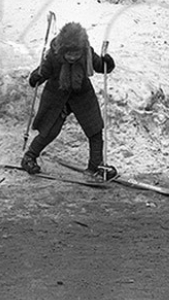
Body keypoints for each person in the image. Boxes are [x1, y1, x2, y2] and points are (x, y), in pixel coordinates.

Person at [21, 22, 117, 181]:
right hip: (57, 95)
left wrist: (107, 63)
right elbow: (43, 71)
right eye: (69, 54)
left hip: (82, 95)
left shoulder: (87, 53)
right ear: (62, 50)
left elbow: (99, 66)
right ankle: (29, 157)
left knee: (95, 129)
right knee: (49, 130)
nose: (73, 57)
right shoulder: (53, 55)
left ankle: (96, 165)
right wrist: (36, 77)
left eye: (76, 54)